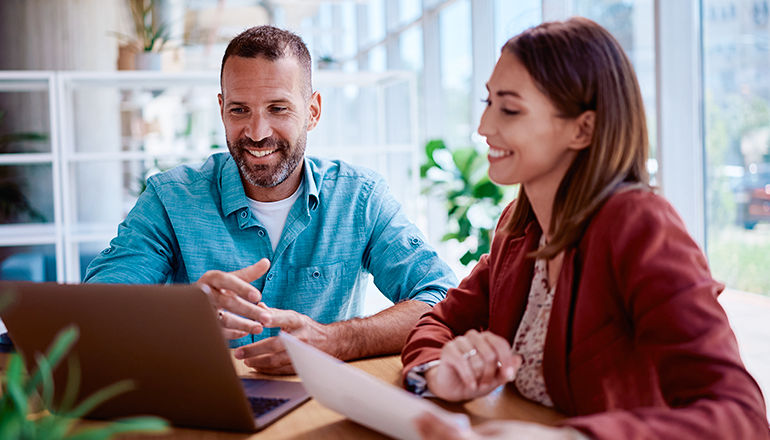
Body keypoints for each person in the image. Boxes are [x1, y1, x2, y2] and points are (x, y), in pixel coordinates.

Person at [401, 17, 770, 439]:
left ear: (583, 128)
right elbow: (437, 322)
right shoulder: (518, 229)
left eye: (509, 109)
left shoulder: (640, 227)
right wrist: (438, 373)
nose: (485, 127)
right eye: (488, 103)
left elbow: (742, 417)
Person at [85, 25, 456, 375]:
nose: (257, 133)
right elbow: (95, 310)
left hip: (320, 407)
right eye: (239, 110)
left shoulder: (360, 198)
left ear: (312, 111)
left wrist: (335, 340)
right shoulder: (170, 198)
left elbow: (443, 301)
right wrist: (183, 315)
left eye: (278, 109)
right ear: (221, 108)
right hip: (206, 400)